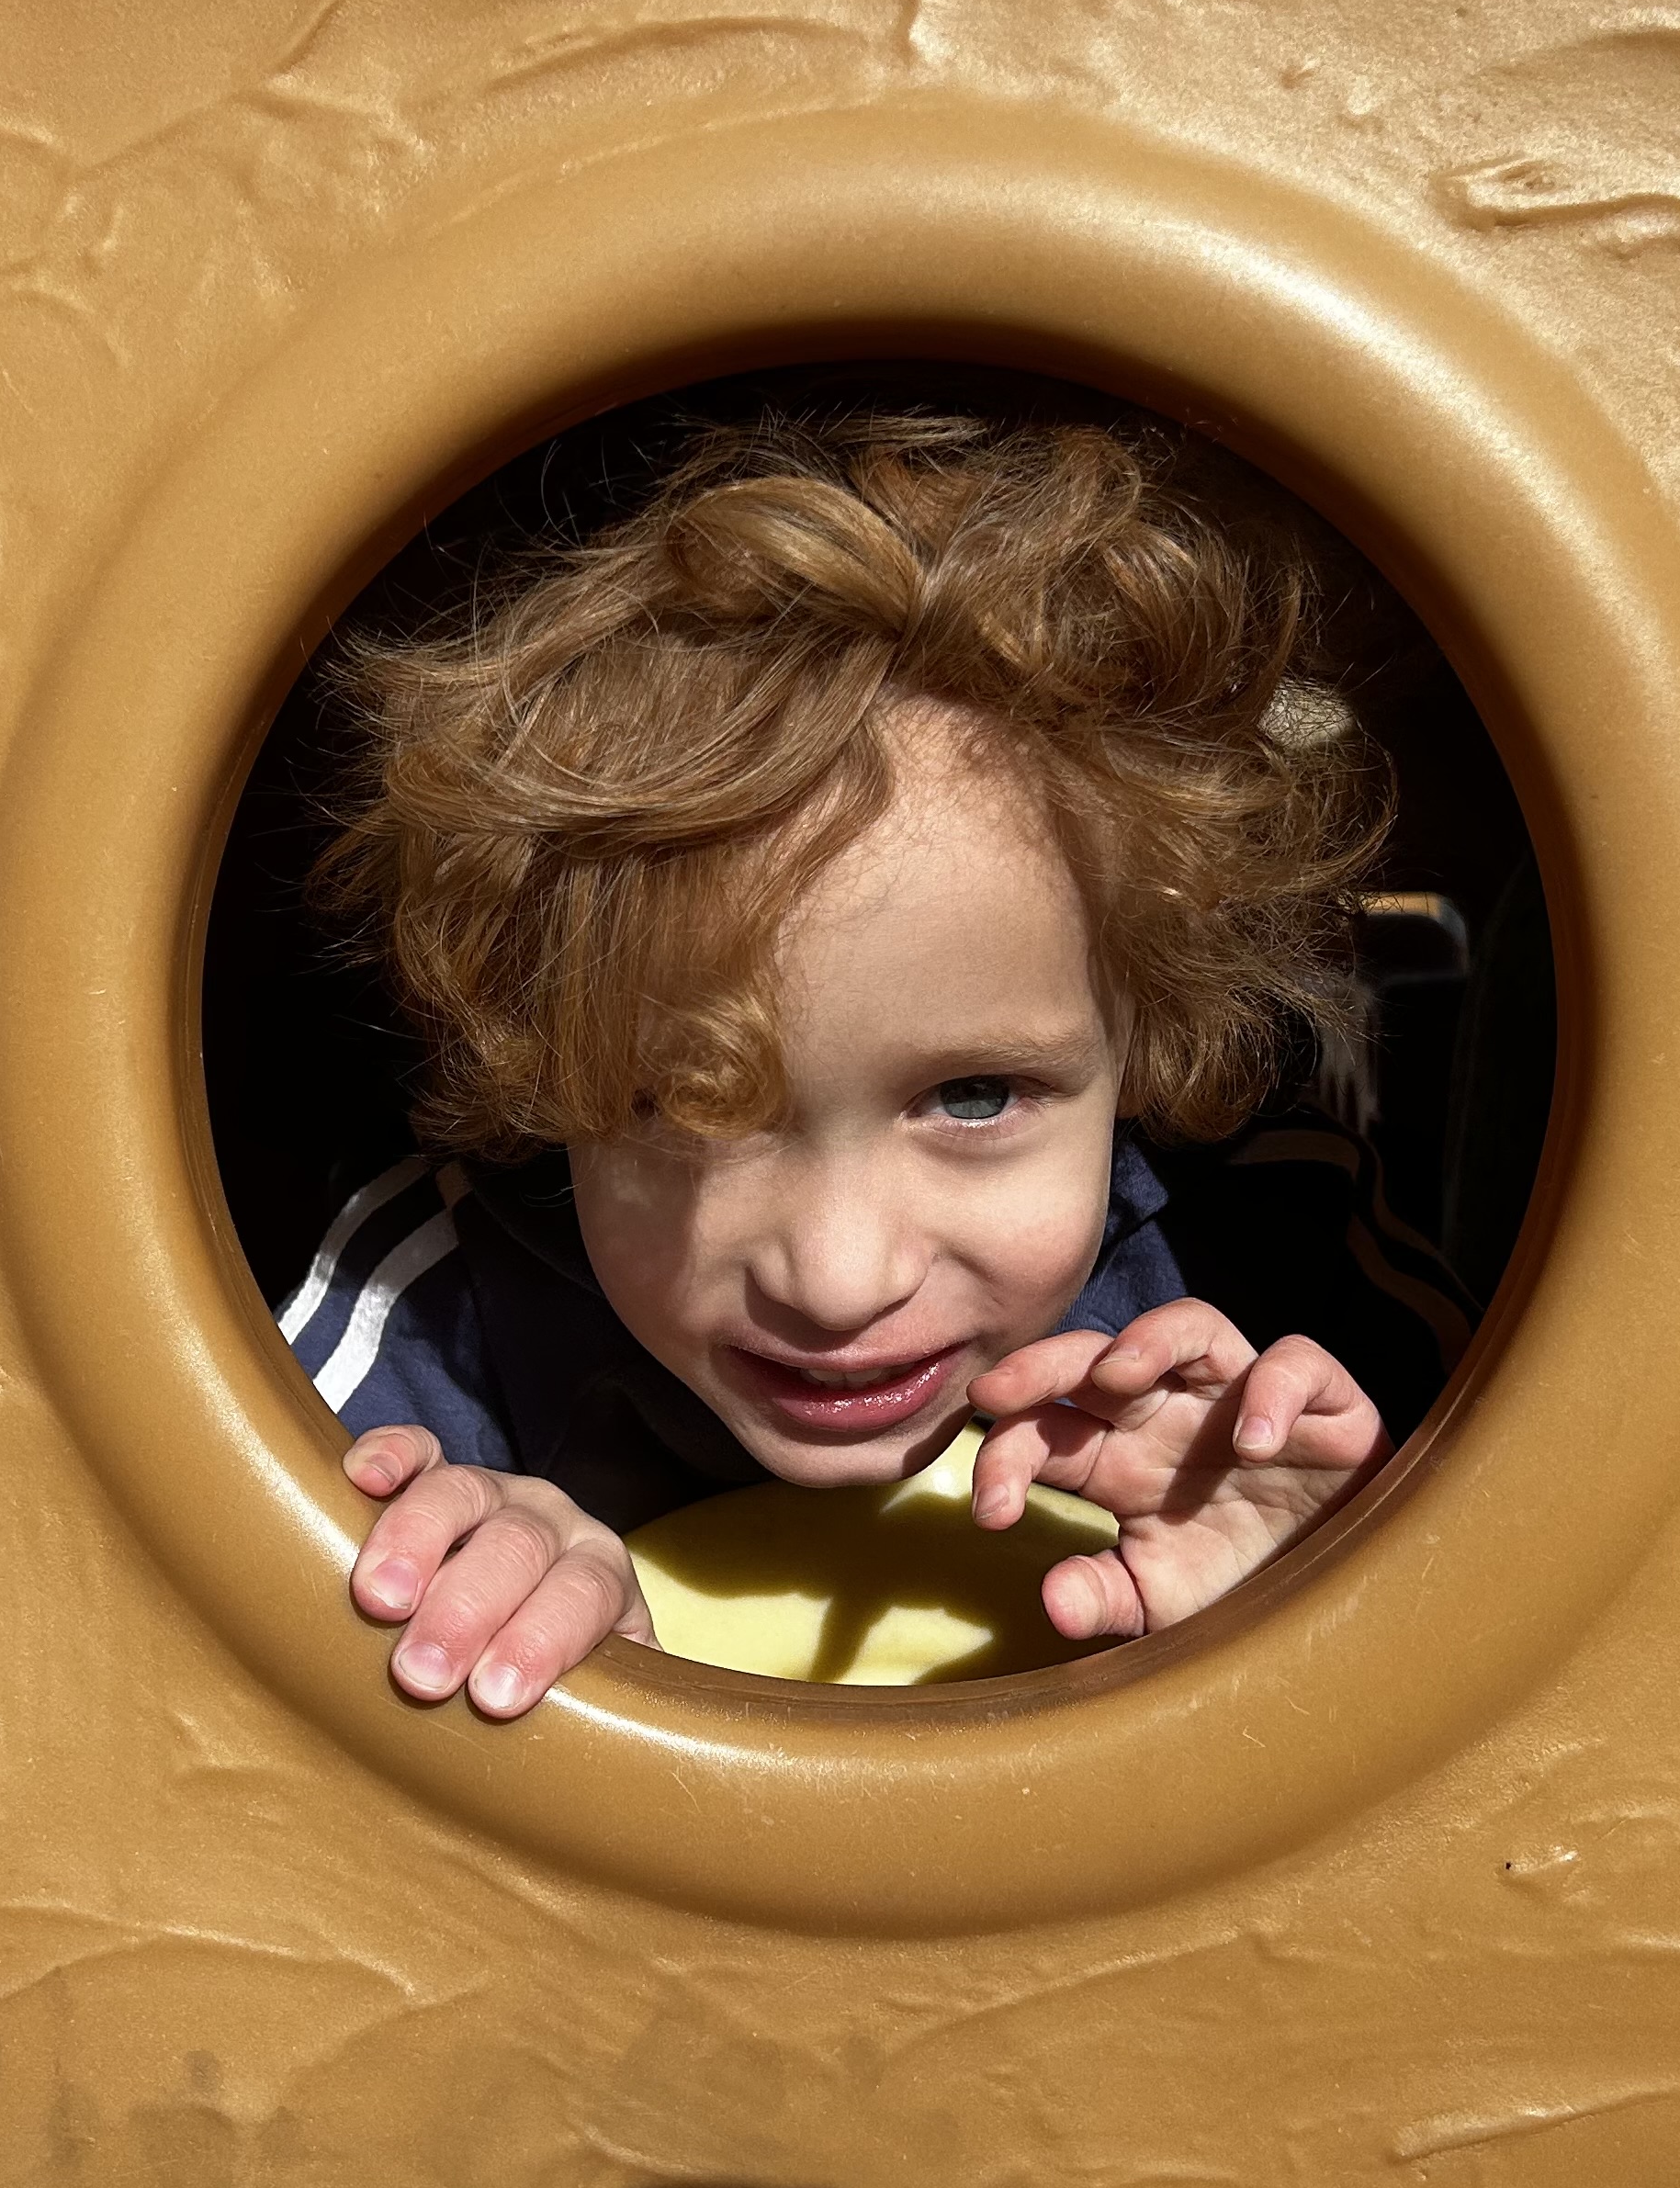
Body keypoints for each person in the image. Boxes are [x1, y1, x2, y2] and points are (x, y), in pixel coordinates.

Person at [277, 410, 1471, 1719]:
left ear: (1144, 1023)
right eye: (687, 1104)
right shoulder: (440, 1320)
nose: (839, 1281)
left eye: (973, 1095)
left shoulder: (1275, 1268)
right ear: (539, 1062)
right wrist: (477, 1597)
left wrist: (1340, 1583)